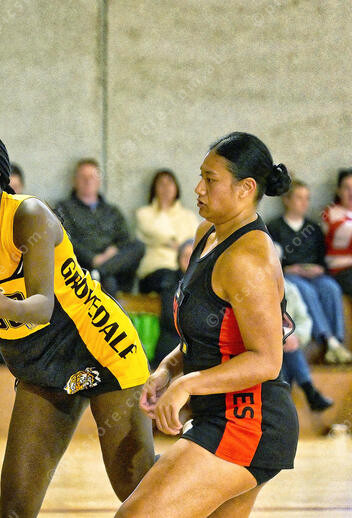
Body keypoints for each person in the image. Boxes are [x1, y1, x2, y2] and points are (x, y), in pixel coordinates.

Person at [0, 128, 154, 518]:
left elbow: (41, 307)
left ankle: (206, 484)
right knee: (15, 508)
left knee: (136, 489)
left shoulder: (29, 216)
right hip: (38, 364)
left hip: (101, 346)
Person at [117, 132, 299, 518]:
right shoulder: (207, 234)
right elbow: (207, 334)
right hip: (218, 415)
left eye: (210, 179)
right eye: (200, 176)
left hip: (249, 422)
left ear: (245, 188)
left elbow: (267, 360)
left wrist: (187, 384)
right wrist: (168, 369)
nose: (198, 188)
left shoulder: (248, 259)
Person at [267, 179, 351, 364]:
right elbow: (271, 259)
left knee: (331, 287)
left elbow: (322, 257)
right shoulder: (274, 227)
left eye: (307, 198)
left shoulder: (313, 228)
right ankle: (328, 339)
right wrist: (288, 268)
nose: (304, 203)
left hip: (314, 275)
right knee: (306, 291)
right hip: (290, 275)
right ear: (287, 200)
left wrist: (319, 268)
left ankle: (338, 340)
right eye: (299, 198)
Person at [54, 158, 144, 296]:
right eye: (83, 177)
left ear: (99, 180)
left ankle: (101, 271)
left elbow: (124, 239)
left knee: (139, 246)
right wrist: (93, 259)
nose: (88, 181)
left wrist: (112, 251)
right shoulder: (64, 208)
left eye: (92, 176)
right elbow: (66, 240)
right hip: (82, 267)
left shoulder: (112, 211)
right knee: (108, 282)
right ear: (75, 181)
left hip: (114, 266)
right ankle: (100, 272)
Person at [135, 169, 198, 295]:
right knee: (170, 280)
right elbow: (158, 233)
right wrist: (162, 208)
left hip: (183, 272)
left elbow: (196, 244)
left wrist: (175, 245)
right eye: (161, 184)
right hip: (154, 273)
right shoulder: (144, 213)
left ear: (176, 187)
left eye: (170, 183)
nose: (166, 187)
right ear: (154, 189)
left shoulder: (188, 216)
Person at [283, 279, 333, 411]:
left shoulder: (289, 288)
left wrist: (296, 337)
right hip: (265, 346)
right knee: (287, 354)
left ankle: (303, 393)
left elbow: (304, 319)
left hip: (285, 346)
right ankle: (309, 390)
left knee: (290, 348)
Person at [151, 238, 194, 369]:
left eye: (192, 256)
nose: (188, 259)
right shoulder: (169, 279)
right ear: (178, 258)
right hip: (170, 344)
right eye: (185, 256)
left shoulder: (206, 281)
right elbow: (171, 318)